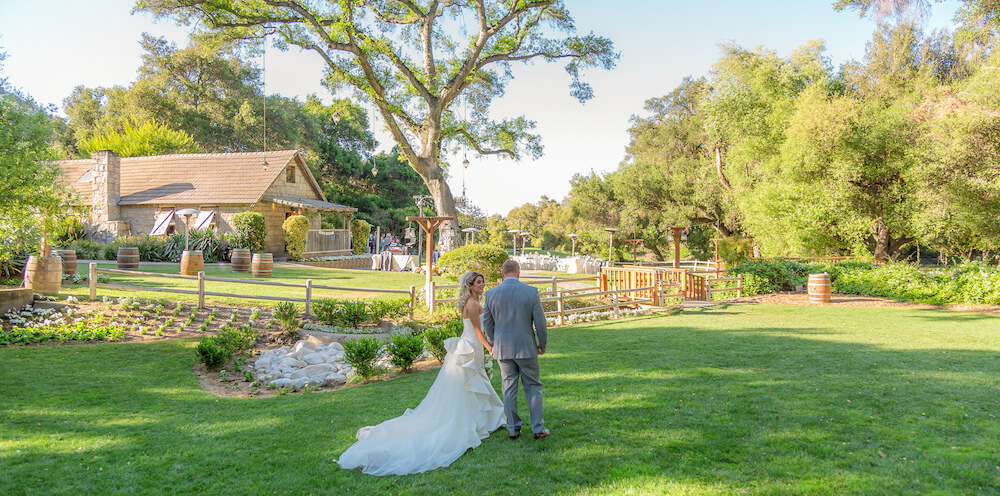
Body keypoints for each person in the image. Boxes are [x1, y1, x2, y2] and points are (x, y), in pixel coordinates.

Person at [337, 271, 504, 476]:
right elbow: (478, 331)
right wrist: (489, 347)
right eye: (478, 282)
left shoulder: (470, 302)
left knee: (473, 383)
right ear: (470, 286)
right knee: (473, 382)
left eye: (482, 282)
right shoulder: (472, 304)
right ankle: (481, 419)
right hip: (472, 347)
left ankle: (484, 417)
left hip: (469, 347)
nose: (482, 285)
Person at [482, 260, 549, 440]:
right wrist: (542, 343)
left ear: (502, 274)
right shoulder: (530, 292)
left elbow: (487, 324)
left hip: (503, 349)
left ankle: (513, 429)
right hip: (526, 347)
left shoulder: (490, 294)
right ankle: (538, 428)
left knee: (508, 388)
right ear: (518, 273)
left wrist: (493, 343)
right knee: (533, 386)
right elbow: (540, 322)